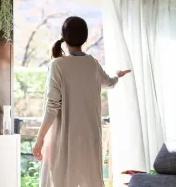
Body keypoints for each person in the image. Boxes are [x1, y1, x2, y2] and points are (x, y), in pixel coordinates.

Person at [33, 16, 131, 187]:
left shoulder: (58, 65)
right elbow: (109, 82)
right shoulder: (92, 63)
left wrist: (39, 139)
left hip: (65, 140)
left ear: (64, 37)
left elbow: (52, 107)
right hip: (90, 140)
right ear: (85, 38)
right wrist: (118, 75)